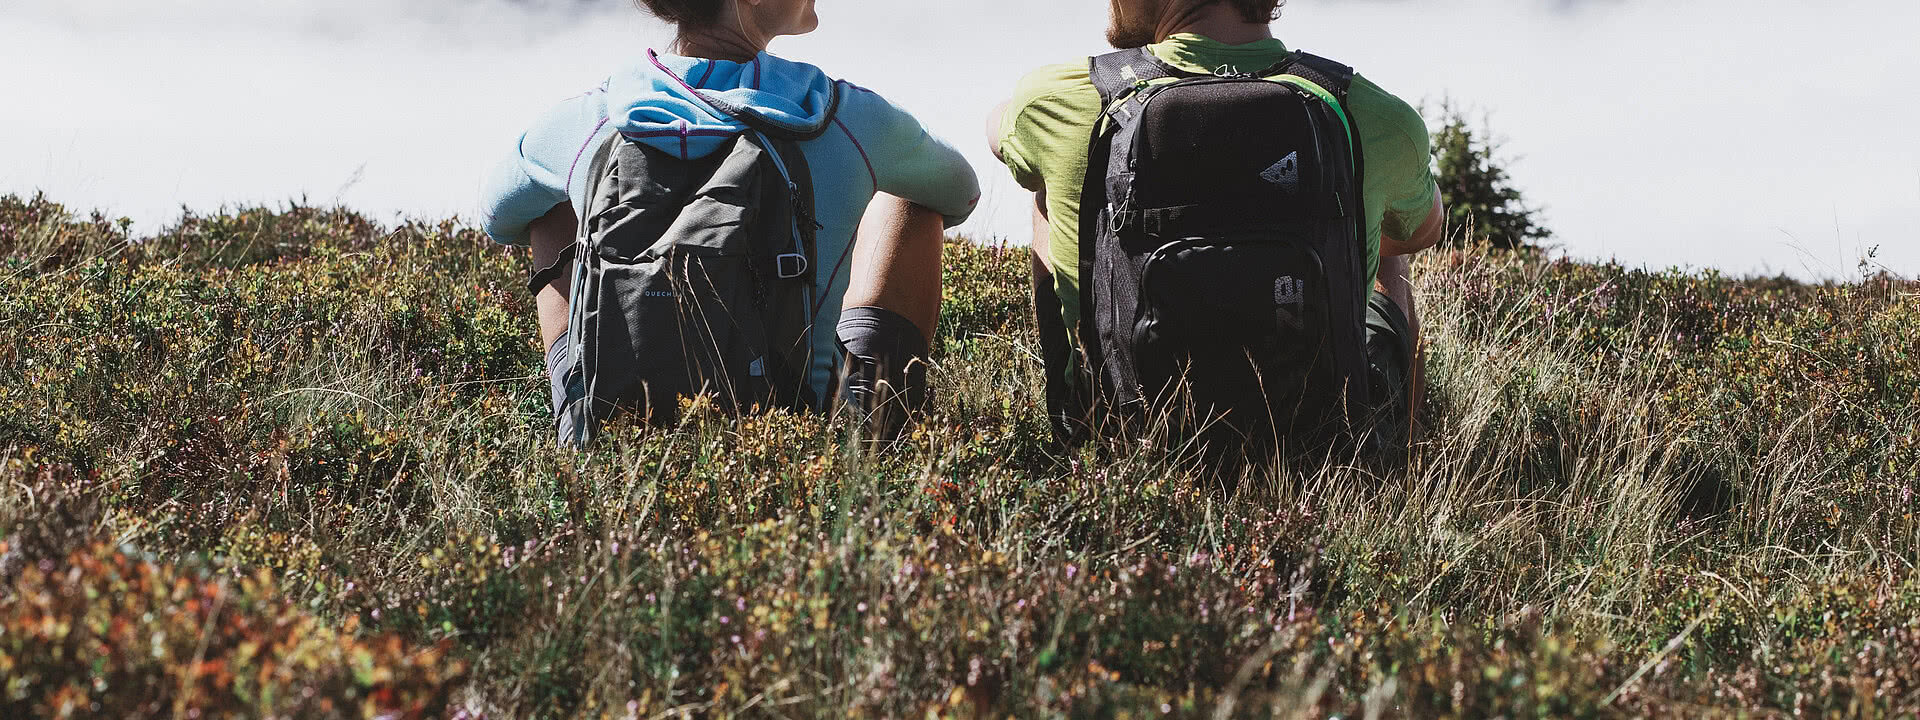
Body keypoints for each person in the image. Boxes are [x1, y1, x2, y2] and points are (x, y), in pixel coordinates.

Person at [482, 0, 979, 443]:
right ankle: (885, 422)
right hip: (802, 436)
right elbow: (959, 190)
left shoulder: (591, 117)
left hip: (612, 426)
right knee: (909, 198)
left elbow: (497, 216)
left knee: (549, 207)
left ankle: (583, 411)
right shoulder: (846, 117)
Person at [988, 0, 1444, 460]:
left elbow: (996, 134)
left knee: (1048, 195)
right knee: (1383, 242)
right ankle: (1394, 462)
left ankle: (1075, 431)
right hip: (1321, 450)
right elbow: (1421, 232)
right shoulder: (1369, 112)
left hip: (1128, 449)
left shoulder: (1057, 99)